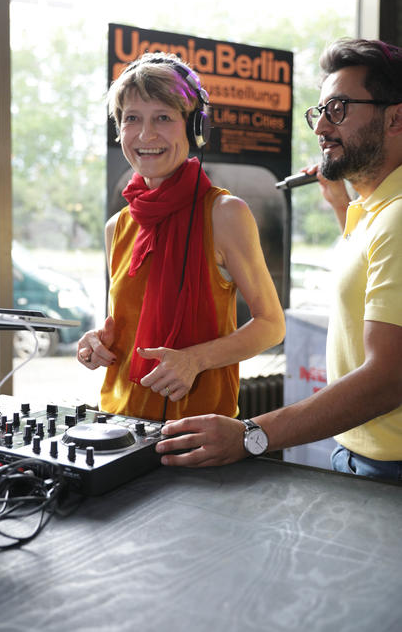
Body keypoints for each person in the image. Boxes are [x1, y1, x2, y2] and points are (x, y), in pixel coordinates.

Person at [156, 38, 402, 483]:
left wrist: (252, 434)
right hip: (363, 456)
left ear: (395, 117)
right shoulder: (372, 210)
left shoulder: (399, 217)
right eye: (321, 111)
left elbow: (388, 377)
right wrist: (339, 202)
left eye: (339, 108)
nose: (321, 126)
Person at [77, 52, 285, 422]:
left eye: (163, 118)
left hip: (200, 433)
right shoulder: (117, 227)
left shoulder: (225, 213)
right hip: (119, 426)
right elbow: (125, 325)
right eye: (132, 119)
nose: (145, 135)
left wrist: (195, 360)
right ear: (118, 130)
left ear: (194, 129)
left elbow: (271, 325)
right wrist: (98, 343)